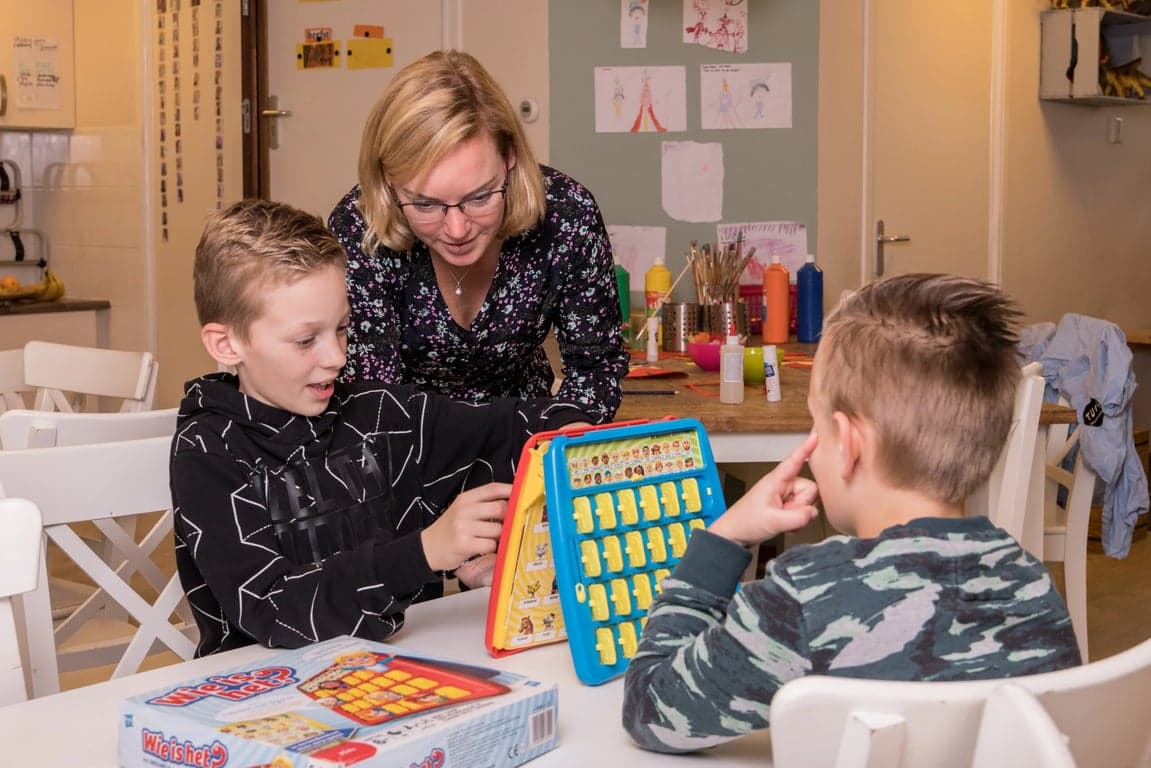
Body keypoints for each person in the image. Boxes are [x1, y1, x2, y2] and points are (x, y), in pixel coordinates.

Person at [621, 273, 1082, 754]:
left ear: (847, 443)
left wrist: (724, 538)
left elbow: (648, 708)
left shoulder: (805, 597)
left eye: (816, 425)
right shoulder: (1034, 588)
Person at [171, 199, 593, 656]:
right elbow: (275, 609)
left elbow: (512, 426)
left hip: (405, 663)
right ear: (226, 344)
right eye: (305, 340)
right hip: (259, 682)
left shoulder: (381, 412)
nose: (336, 357)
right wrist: (424, 552)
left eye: (342, 329)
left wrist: (572, 436)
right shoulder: (206, 451)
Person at [328, 49, 629, 425]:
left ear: (509, 158)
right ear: (389, 180)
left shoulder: (567, 213)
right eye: (425, 204)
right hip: (407, 442)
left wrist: (563, 442)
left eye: (480, 197)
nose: (457, 230)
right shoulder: (361, 228)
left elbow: (595, 366)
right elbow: (375, 397)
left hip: (529, 431)